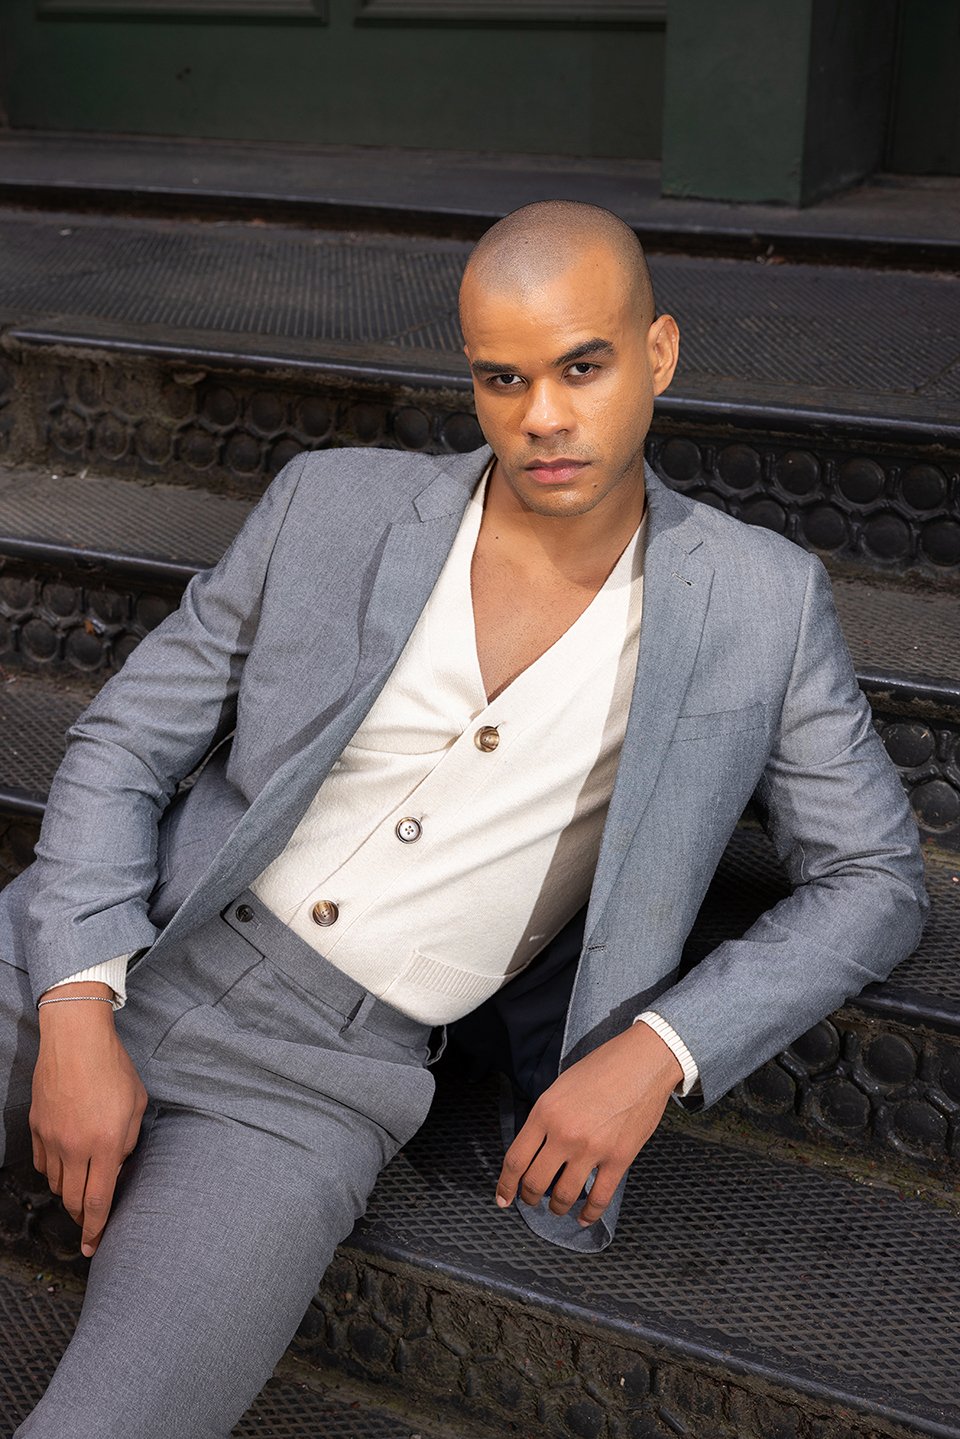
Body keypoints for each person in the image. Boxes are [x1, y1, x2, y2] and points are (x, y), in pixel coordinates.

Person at [0, 201, 927, 1438]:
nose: (542, 416)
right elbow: (123, 741)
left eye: (581, 366)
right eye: (503, 378)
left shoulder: (760, 601)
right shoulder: (329, 504)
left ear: (657, 354)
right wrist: (73, 999)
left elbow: (874, 874)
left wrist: (660, 1046)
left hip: (310, 1089)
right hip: (104, 936)